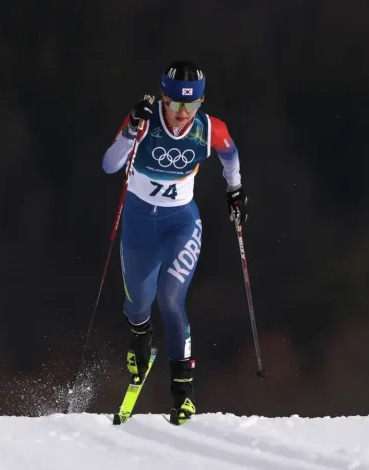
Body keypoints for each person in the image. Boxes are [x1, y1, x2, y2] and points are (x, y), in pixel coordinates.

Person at [101, 60, 248, 425]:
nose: (183, 113)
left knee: (170, 298)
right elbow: (110, 165)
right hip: (138, 227)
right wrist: (130, 129)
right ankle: (140, 336)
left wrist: (235, 190)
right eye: (176, 103)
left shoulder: (209, 129)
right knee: (137, 305)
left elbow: (230, 154)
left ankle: (183, 395)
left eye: (191, 104)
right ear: (163, 99)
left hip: (180, 224)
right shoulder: (144, 121)